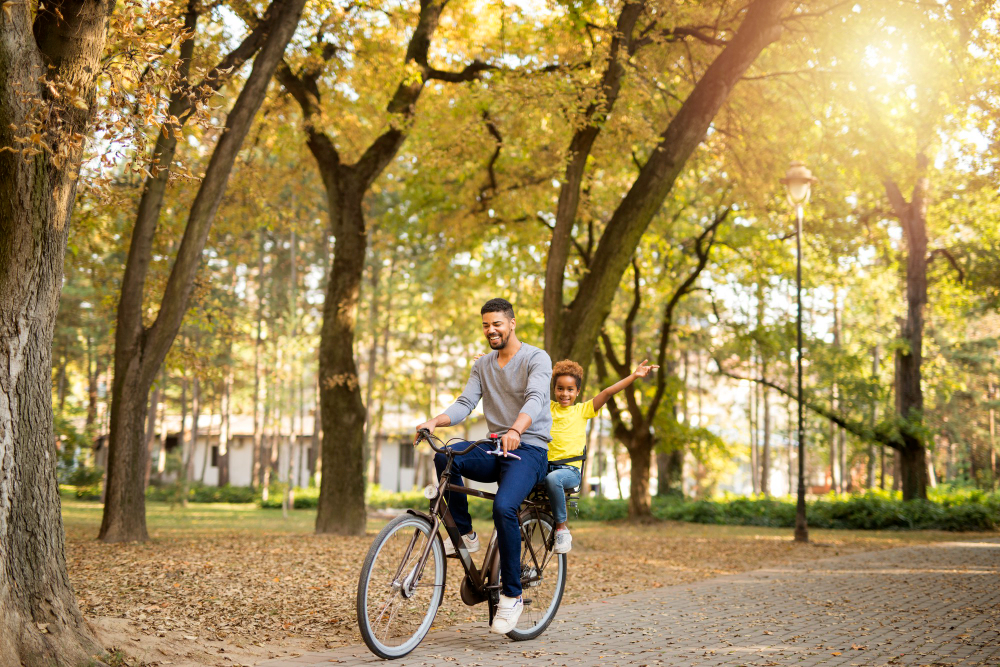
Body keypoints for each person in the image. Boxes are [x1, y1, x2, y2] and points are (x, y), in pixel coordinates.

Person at [414, 297, 552, 635]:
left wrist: (517, 430)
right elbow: (465, 403)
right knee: (446, 455)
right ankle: (465, 533)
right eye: (486, 325)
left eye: (497, 324)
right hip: (495, 447)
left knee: (504, 506)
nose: (491, 330)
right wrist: (435, 421)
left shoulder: (536, 358)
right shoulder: (483, 366)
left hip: (529, 448)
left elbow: (536, 398)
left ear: (512, 323)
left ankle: (513, 595)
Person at [546, 358, 659, 553]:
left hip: (568, 470)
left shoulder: (582, 410)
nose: (565, 394)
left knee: (553, 479)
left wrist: (634, 376)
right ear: (554, 389)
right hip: (546, 466)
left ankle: (562, 529)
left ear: (577, 391)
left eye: (570, 389)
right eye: (560, 389)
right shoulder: (547, 407)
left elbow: (608, 392)